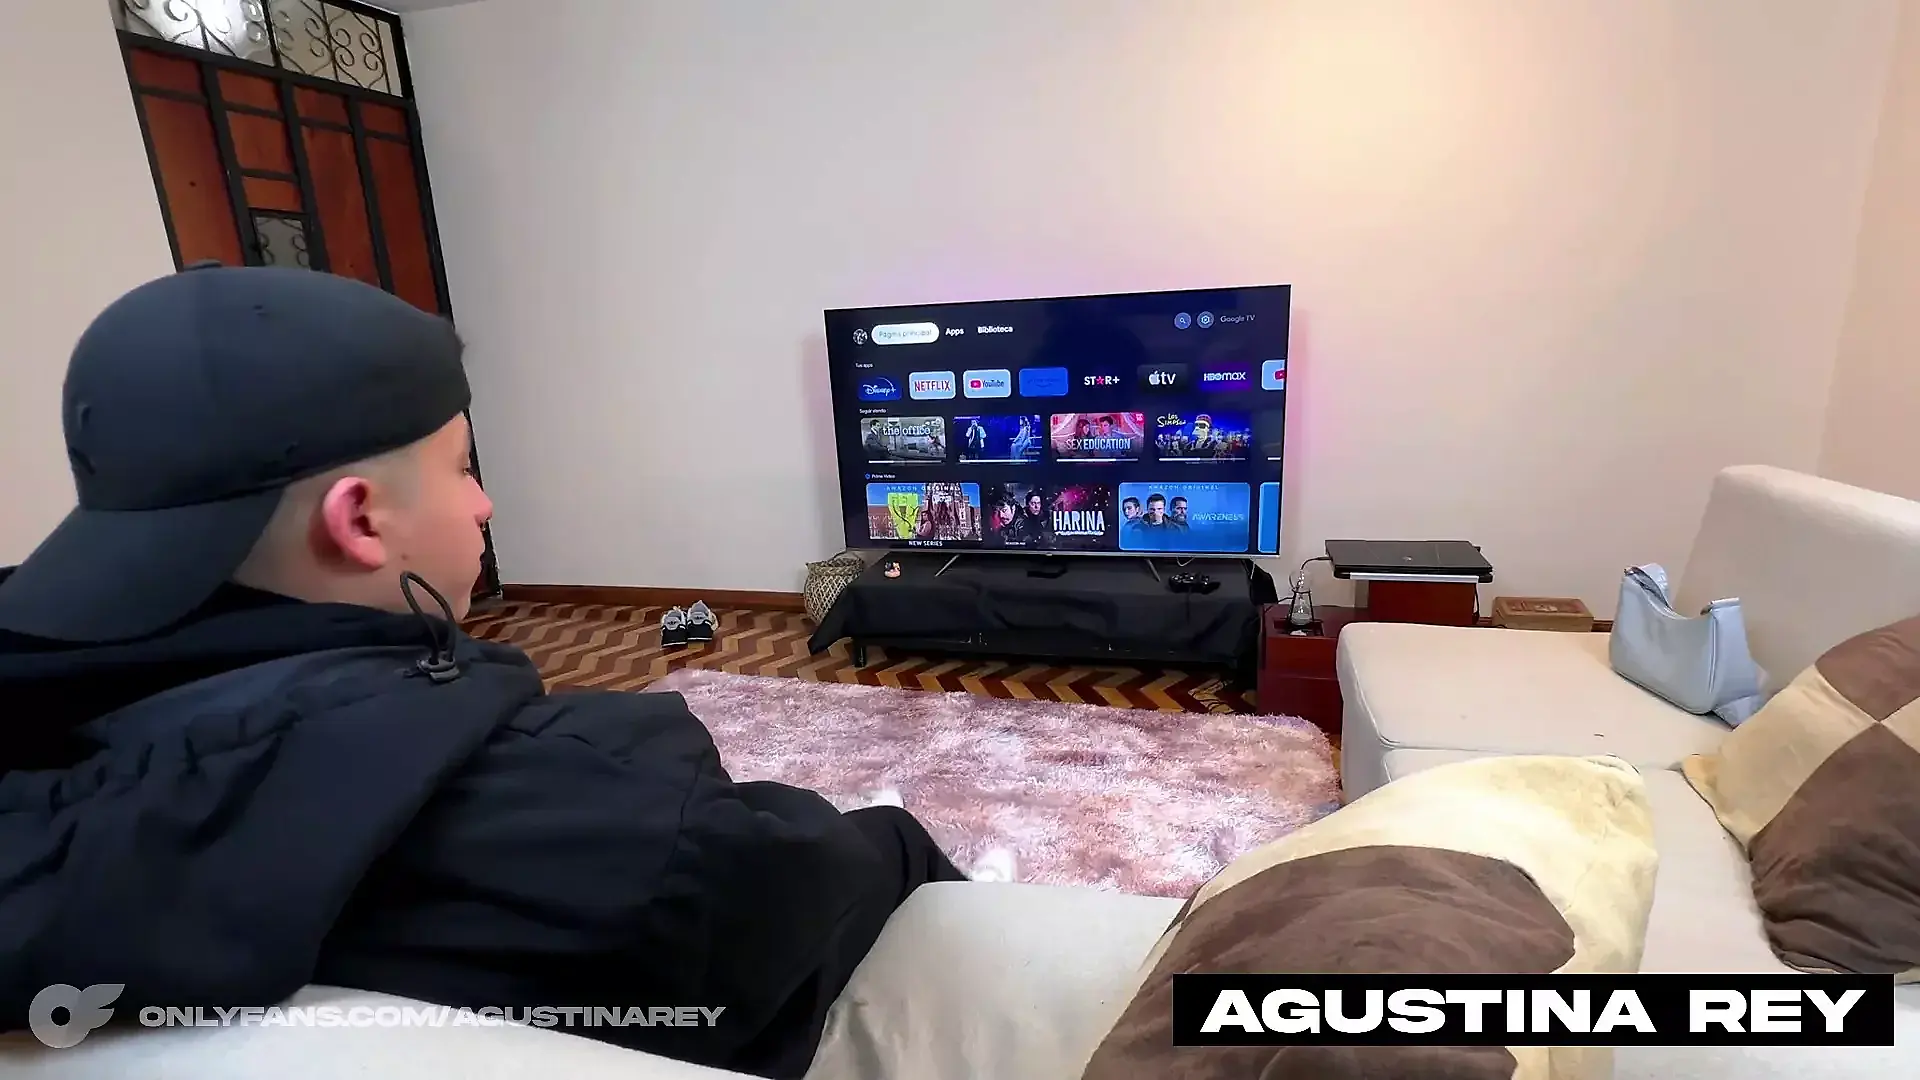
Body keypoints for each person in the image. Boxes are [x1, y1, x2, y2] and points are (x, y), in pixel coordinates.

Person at [0, 265, 970, 1079]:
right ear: (359, 518)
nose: (485, 504)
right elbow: (810, 894)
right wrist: (897, 842)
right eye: (462, 466)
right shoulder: (578, 806)